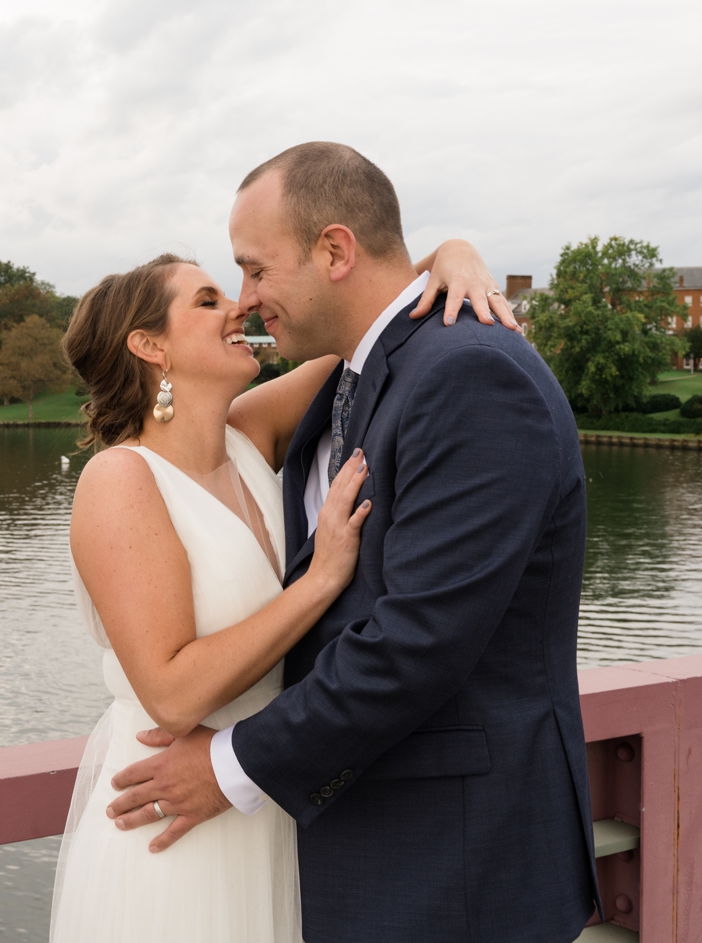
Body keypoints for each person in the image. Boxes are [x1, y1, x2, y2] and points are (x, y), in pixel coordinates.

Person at [104, 143, 600, 943]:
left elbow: (417, 642)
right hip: (348, 841)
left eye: (256, 270)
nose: (245, 300)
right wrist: (450, 252)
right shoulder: (351, 380)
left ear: (333, 250)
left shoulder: (470, 375)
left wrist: (230, 767)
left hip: (451, 861)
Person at [50, 233, 513, 939]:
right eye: (208, 300)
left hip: (264, 793)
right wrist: (321, 578)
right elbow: (171, 695)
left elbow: (365, 326)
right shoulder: (120, 480)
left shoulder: (249, 432)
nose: (238, 308)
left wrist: (449, 256)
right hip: (177, 814)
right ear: (151, 347)